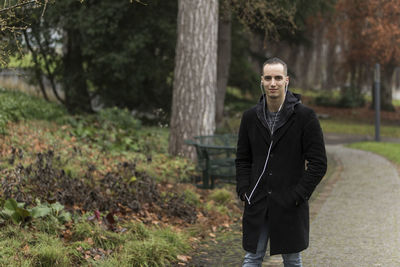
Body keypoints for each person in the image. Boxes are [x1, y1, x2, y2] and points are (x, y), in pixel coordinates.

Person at [235, 57, 327, 267]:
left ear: (287, 80)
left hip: (289, 203)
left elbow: (319, 163)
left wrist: (298, 195)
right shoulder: (250, 117)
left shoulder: (305, 117)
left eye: (277, 77)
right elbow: (242, 159)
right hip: (257, 201)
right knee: (252, 258)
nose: (273, 83)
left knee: (292, 260)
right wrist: (243, 190)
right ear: (262, 81)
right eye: (268, 78)